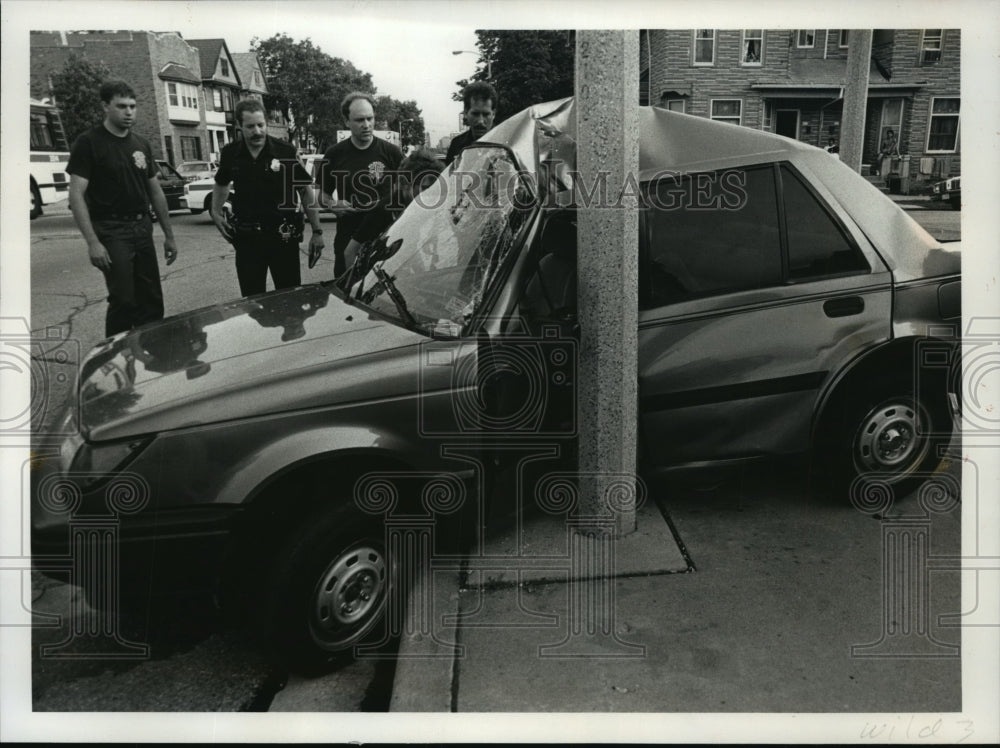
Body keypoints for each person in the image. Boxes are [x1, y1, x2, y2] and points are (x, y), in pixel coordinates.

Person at [67, 79, 179, 337]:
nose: (129, 112)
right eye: (121, 106)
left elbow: (155, 191)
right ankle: (115, 361)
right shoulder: (89, 143)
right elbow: (76, 195)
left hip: (142, 227)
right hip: (111, 229)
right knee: (124, 299)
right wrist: (93, 242)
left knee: (151, 298)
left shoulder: (141, 144)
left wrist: (169, 236)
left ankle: (151, 355)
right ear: (105, 106)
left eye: (132, 106)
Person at [212, 99, 324, 297]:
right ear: (239, 126)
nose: (257, 131)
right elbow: (221, 183)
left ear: (266, 123)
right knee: (252, 301)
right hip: (247, 240)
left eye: (260, 125)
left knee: (290, 298)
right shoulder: (231, 153)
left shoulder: (285, 151)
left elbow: (305, 191)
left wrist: (317, 231)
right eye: (250, 126)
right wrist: (215, 211)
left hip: (283, 238)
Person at [318, 92, 403, 277]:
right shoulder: (334, 154)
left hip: (385, 239)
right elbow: (322, 196)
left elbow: (406, 193)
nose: (366, 125)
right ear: (346, 121)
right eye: (359, 120)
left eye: (370, 118)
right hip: (347, 239)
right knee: (345, 294)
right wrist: (333, 205)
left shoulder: (392, 153)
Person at [340, 148, 446, 270]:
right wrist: (353, 286)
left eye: (434, 189)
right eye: (425, 188)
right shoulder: (384, 210)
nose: (430, 195)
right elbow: (350, 252)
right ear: (405, 184)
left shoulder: (418, 205)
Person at [445, 81, 498, 167]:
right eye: (475, 114)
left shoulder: (509, 144)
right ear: (466, 113)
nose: (480, 121)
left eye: (486, 114)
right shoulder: (456, 145)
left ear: (493, 114)